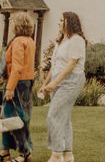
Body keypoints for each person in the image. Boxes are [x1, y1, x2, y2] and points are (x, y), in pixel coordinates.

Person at [43, 12, 87, 162]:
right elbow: (54, 65)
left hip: (71, 80)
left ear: (70, 23)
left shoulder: (77, 40)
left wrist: (55, 83)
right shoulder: (61, 41)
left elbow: (71, 65)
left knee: (53, 115)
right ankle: (68, 155)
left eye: (62, 20)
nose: (59, 23)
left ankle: (56, 154)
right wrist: (46, 83)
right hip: (58, 79)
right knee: (64, 117)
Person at [0, 12, 36, 162]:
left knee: (17, 118)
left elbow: (17, 67)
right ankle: (4, 151)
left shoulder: (19, 41)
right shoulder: (29, 40)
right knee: (8, 117)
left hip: (18, 84)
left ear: (17, 25)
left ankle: (25, 153)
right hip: (25, 82)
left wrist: (9, 88)